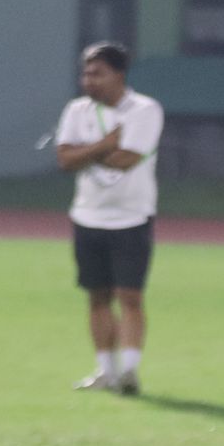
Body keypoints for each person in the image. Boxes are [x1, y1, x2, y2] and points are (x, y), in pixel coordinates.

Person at [54, 42, 163, 392]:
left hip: (131, 217)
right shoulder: (76, 110)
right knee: (96, 296)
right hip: (87, 215)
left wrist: (85, 153)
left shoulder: (144, 110)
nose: (89, 80)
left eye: (97, 73)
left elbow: (127, 160)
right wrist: (104, 145)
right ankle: (105, 371)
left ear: (119, 74)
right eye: (85, 73)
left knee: (130, 296)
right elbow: (64, 160)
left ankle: (130, 370)